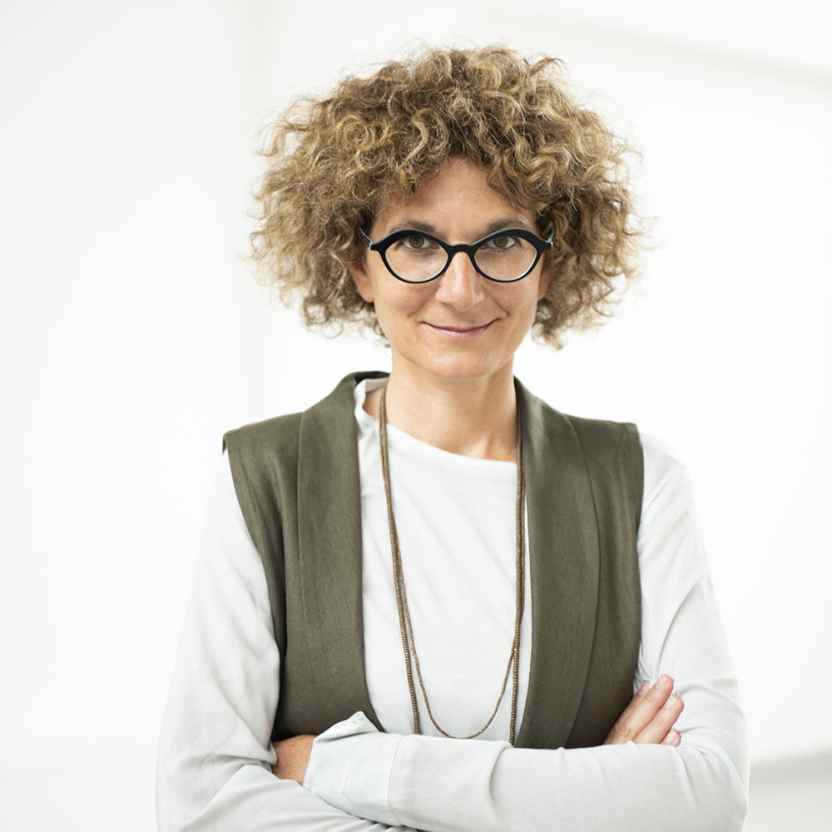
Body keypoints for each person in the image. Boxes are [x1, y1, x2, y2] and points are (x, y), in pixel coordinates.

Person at [155, 45, 749, 831]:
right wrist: (590, 795)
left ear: (549, 263)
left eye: (502, 242)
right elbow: (201, 803)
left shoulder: (639, 481)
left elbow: (709, 795)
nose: (461, 289)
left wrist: (348, 768)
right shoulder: (268, 476)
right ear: (358, 265)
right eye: (416, 242)